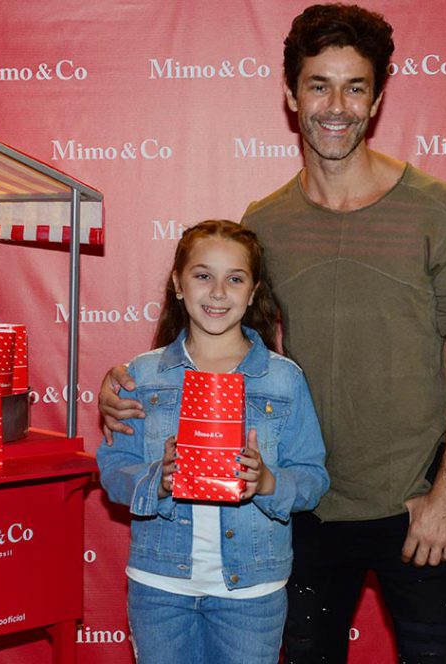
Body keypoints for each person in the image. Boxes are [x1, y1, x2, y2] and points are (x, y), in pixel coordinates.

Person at [101, 5, 446, 662]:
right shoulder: (267, 222)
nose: (336, 106)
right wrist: (130, 387)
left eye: (355, 87)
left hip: (416, 505)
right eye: (319, 85)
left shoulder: (441, 211)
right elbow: (227, 351)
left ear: (376, 99)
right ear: (292, 96)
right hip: (299, 509)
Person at [97, 220, 329, 664]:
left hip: (252, 591)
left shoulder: (284, 379)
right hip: (161, 585)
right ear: (178, 284)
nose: (218, 292)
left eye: (235, 279)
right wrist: (156, 480)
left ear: (253, 291)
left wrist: (268, 483)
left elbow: (312, 475)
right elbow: (113, 469)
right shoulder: (141, 376)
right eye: (203, 275)